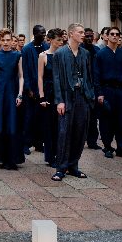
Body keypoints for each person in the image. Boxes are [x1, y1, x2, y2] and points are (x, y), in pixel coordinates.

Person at [51, 23, 95, 181]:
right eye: (80, 32)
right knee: (64, 132)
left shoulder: (85, 53)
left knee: (80, 132)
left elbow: (89, 77)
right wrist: (59, 101)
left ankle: (73, 166)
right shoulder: (60, 53)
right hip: (66, 97)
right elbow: (56, 78)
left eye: (84, 32)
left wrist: (90, 96)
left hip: (82, 96)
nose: (83, 35)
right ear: (71, 34)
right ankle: (60, 168)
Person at [93, 26, 122, 160]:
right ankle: (107, 147)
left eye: (117, 34)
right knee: (107, 120)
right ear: (107, 36)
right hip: (107, 90)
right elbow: (96, 75)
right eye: (112, 34)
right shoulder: (101, 54)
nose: (115, 36)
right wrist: (99, 93)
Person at [0, 30, 24, 170]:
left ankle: (12, 159)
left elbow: (21, 76)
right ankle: (3, 158)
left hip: (12, 92)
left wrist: (20, 94)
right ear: (0, 41)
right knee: (1, 125)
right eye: (4, 40)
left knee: (13, 125)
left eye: (9, 40)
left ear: (11, 40)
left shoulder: (17, 55)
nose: (6, 42)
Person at [21, 25, 48, 155]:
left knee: (41, 118)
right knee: (28, 117)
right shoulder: (26, 49)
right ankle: (25, 144)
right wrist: (28, 89)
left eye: (44, 33)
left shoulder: (46, 47)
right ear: (35, 33)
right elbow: (24, 70)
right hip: (30, 89)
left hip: (43, 88)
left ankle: (39, 143)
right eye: (41, 33)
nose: (43, 35)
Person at [38, 28, 63, 168]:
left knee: (60, 126)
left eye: (62, 39)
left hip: (61, 93)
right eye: (58, 40)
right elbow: (40, 77)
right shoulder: (43, 56)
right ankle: (50, 156)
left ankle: (60, 154)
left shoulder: (63, 54)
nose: (61, 42)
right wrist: (41, 97)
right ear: (51, 40)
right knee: (49, 126)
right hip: (48, 93)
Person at [81, 27, 101, 150]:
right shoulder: (79, 49)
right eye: (87, 36)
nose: (89, 38)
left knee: (93, 117)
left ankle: (92, 141)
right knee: (82, 116)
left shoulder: (97, 50)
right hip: (83, 86)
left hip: (94, 85)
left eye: (90, 36)